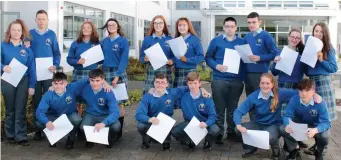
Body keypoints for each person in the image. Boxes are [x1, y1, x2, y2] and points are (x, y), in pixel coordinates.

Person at [135, 73, 210, 151]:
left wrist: (202, 89)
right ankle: (146, 140)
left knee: (167, 122)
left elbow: (190, 87)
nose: (160, 85)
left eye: (163, 82)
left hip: (165, 122)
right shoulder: (147, 96)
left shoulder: (173, 92)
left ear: (167, 84)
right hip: (152, 121)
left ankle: (166, 142)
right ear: (154, 83)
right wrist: (150, 119)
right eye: (157, 82)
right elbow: (139, 114)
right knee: (141, 125)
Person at [233, 73, 299, 159]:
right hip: (258, 123)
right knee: (238, 130)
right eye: (262, 83)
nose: (265, 86)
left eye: (267, 83)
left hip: (274, 125)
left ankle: (276, 151)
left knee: (270, 137)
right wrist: (238, 125)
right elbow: (238, 111)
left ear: (272, 84)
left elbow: (298, 92)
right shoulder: (253, 96)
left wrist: (314, 95)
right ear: (259, 84)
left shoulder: (280, 93)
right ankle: (250, 148)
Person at [205, 17, 245, 144]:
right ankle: (219, 133)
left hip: (236, 81)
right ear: (223, 27)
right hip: (219, 79)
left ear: (236, 28)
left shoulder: (242, 42)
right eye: (227, 26)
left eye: (232, 26)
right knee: (219, 108)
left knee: (233, 108)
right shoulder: (216, 41)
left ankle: (231, 132)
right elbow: (208, 57)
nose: (229, 28)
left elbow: (246, 60)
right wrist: (216, 66)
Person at [304, 22, 338, 155]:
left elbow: (334, 68)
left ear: (325, 33)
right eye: (315, 31)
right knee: (314, 115)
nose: (317, 34)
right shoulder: (309, 47)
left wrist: (322, 60)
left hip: (323, 82)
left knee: (325, 116)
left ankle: (322, 151)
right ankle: (316, 145)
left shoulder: (328, 48)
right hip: (311, 83)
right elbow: (307, 70)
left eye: (320, 31)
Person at [271, 28, 309, 149]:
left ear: (299, 40)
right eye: (292, 36)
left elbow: (307, 72)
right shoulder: (280, 52)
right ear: (288, 37)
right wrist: (275, 62)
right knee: (283, 117)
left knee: (294, 116)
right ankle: (289, 144)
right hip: (282, 88)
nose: (294, 39)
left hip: (296, 89)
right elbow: (274, 72)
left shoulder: (302, 55)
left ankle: (292, 143)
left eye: (297, 38)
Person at [1, 19, 36, 146]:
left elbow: (32, 69)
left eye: (19, 30)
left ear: (22, 33)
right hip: (8, 80)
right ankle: (10, 135)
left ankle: (21, 136)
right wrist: (2, 67)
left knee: (20, 109)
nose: (16, 32)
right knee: (10, 108)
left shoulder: (27, 49)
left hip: (23, 81)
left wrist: (32, 85)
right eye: (14, 29)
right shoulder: (2, 45)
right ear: (9, 31)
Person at [29, 10, 61, 141]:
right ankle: (37, 129)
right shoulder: (29, 34)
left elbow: (57, 53)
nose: (41, 21)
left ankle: (50, 128)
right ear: (35, 20)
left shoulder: (52, 34)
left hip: (48, 74)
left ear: (47, 20)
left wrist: (55, 65)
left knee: (49, 100)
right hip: (34, 75)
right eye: (39, 19)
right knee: (36, 101)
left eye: (43, 19)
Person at [280, 79, 330, 160]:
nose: (303, 93)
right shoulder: (294, 99)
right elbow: (287, 116)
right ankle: (294, 149)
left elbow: (327, 123)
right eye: (301, 90)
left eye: (307, 90)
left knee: (325, 135)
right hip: (299, 125)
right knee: (282, 128)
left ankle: (318, 152)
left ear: (313, 91)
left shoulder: (320, 103)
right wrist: (287, 124)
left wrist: (316, 130)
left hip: (314, 126)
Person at [171, 72, 219, 151]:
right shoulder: (183, 96)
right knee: (175, 132)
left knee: (215, 130)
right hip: (190, 123)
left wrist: (206, 123)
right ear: (187, 83)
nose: (193, 86)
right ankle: (188, 141)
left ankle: (208, 141)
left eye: (195, 83)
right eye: (190, 83)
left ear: (200, 83)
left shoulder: (206, 97)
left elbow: (213, 116)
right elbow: (166, 91)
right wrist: (152, 89)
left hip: (205, 123)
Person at [35, 72, 85, 149]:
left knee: (77, 120)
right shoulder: (48, 94)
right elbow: (39, 112)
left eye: (61, 84)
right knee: (39, 123)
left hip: (69, 114)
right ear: (52, 84)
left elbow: (88, 80)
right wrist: (46, 121)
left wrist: (105, 84)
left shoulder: (72, 87)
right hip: (54, 116)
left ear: (66, 83)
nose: (58, 86)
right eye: (56, 83)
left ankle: (71, 139)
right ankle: (53, 138)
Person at [244, 12, 278, 120]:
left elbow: (274, 53)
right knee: (251, 101)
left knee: (261, 102)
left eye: (254, 22)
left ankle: (262, 124)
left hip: (260, 74)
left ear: (260, 22)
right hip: (248, 74)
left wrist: (260, 58)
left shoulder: (266, 36)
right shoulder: (247, 36)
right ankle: (253, 124)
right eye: (249, 22)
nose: (251, 25)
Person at [100, 18, 130, 142]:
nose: (111, 26)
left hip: (119, 72)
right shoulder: (104, 41)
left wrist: (117, 75)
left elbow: (124, 60)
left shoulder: (123, 41)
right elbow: (100, 58)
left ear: (118, 27)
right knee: (107, 102)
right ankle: (110, 129)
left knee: (119, 103)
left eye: (114, 24)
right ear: (107, 27)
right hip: (106, 72)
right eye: (109, 25)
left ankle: (119, 132)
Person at [79, 69, 121, 148]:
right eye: (92, 80)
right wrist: (53, 87)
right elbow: (69, 88)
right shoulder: (84, 89)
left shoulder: (108, 92)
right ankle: (91, 139)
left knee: (116, 127)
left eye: (97, 80)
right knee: (83, 127)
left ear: (102, 81)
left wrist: (104, 123)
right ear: (89, 80)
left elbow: (115, 112)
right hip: (91, 114)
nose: (94, 83)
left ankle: (109, 137)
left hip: (105, 115)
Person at [67, 21, 100, 117]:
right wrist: (77, 61)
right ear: (81, 30)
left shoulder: (97, 43)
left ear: (92, 30)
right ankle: (78, 122)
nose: (86, 29)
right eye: (84, 28)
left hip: (92, 75)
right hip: (78, 74)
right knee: (77, 100)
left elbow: (102, 60)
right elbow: (69, 59)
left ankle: (89, 122)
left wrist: (96, 59)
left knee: (91, 98)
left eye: (88, 28)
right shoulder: (75, 43)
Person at [140, 15, 174, 93]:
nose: (158, 25)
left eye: (160, 23)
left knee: (166, 95)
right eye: (155, 23)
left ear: (164, 24)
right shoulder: (147, 39)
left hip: (166, 70)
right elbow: (141, 57)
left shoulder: (169, 39)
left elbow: (174, 57)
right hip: (152, 71)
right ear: (153, 25)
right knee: (150, 95)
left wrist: (172, 61)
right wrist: (144, 59)